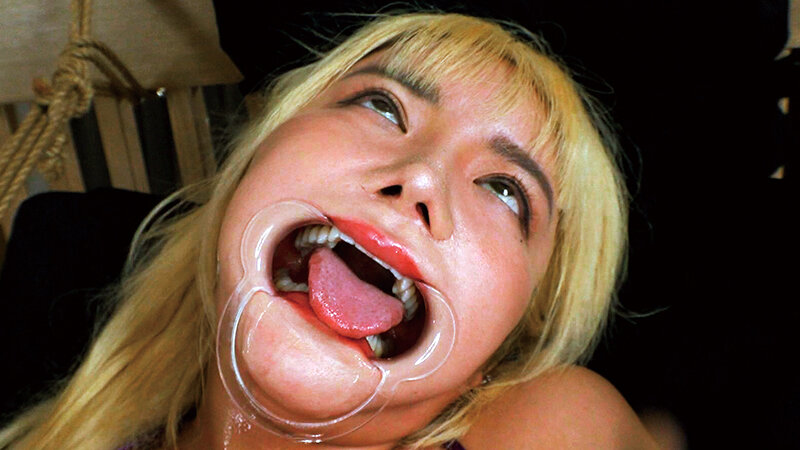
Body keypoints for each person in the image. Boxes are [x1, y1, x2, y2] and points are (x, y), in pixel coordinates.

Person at [0, 12, 656, 449]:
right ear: (250, 166)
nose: (421, 178)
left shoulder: (562, 424)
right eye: (381, 105)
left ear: (503, 352)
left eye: (505, 191)